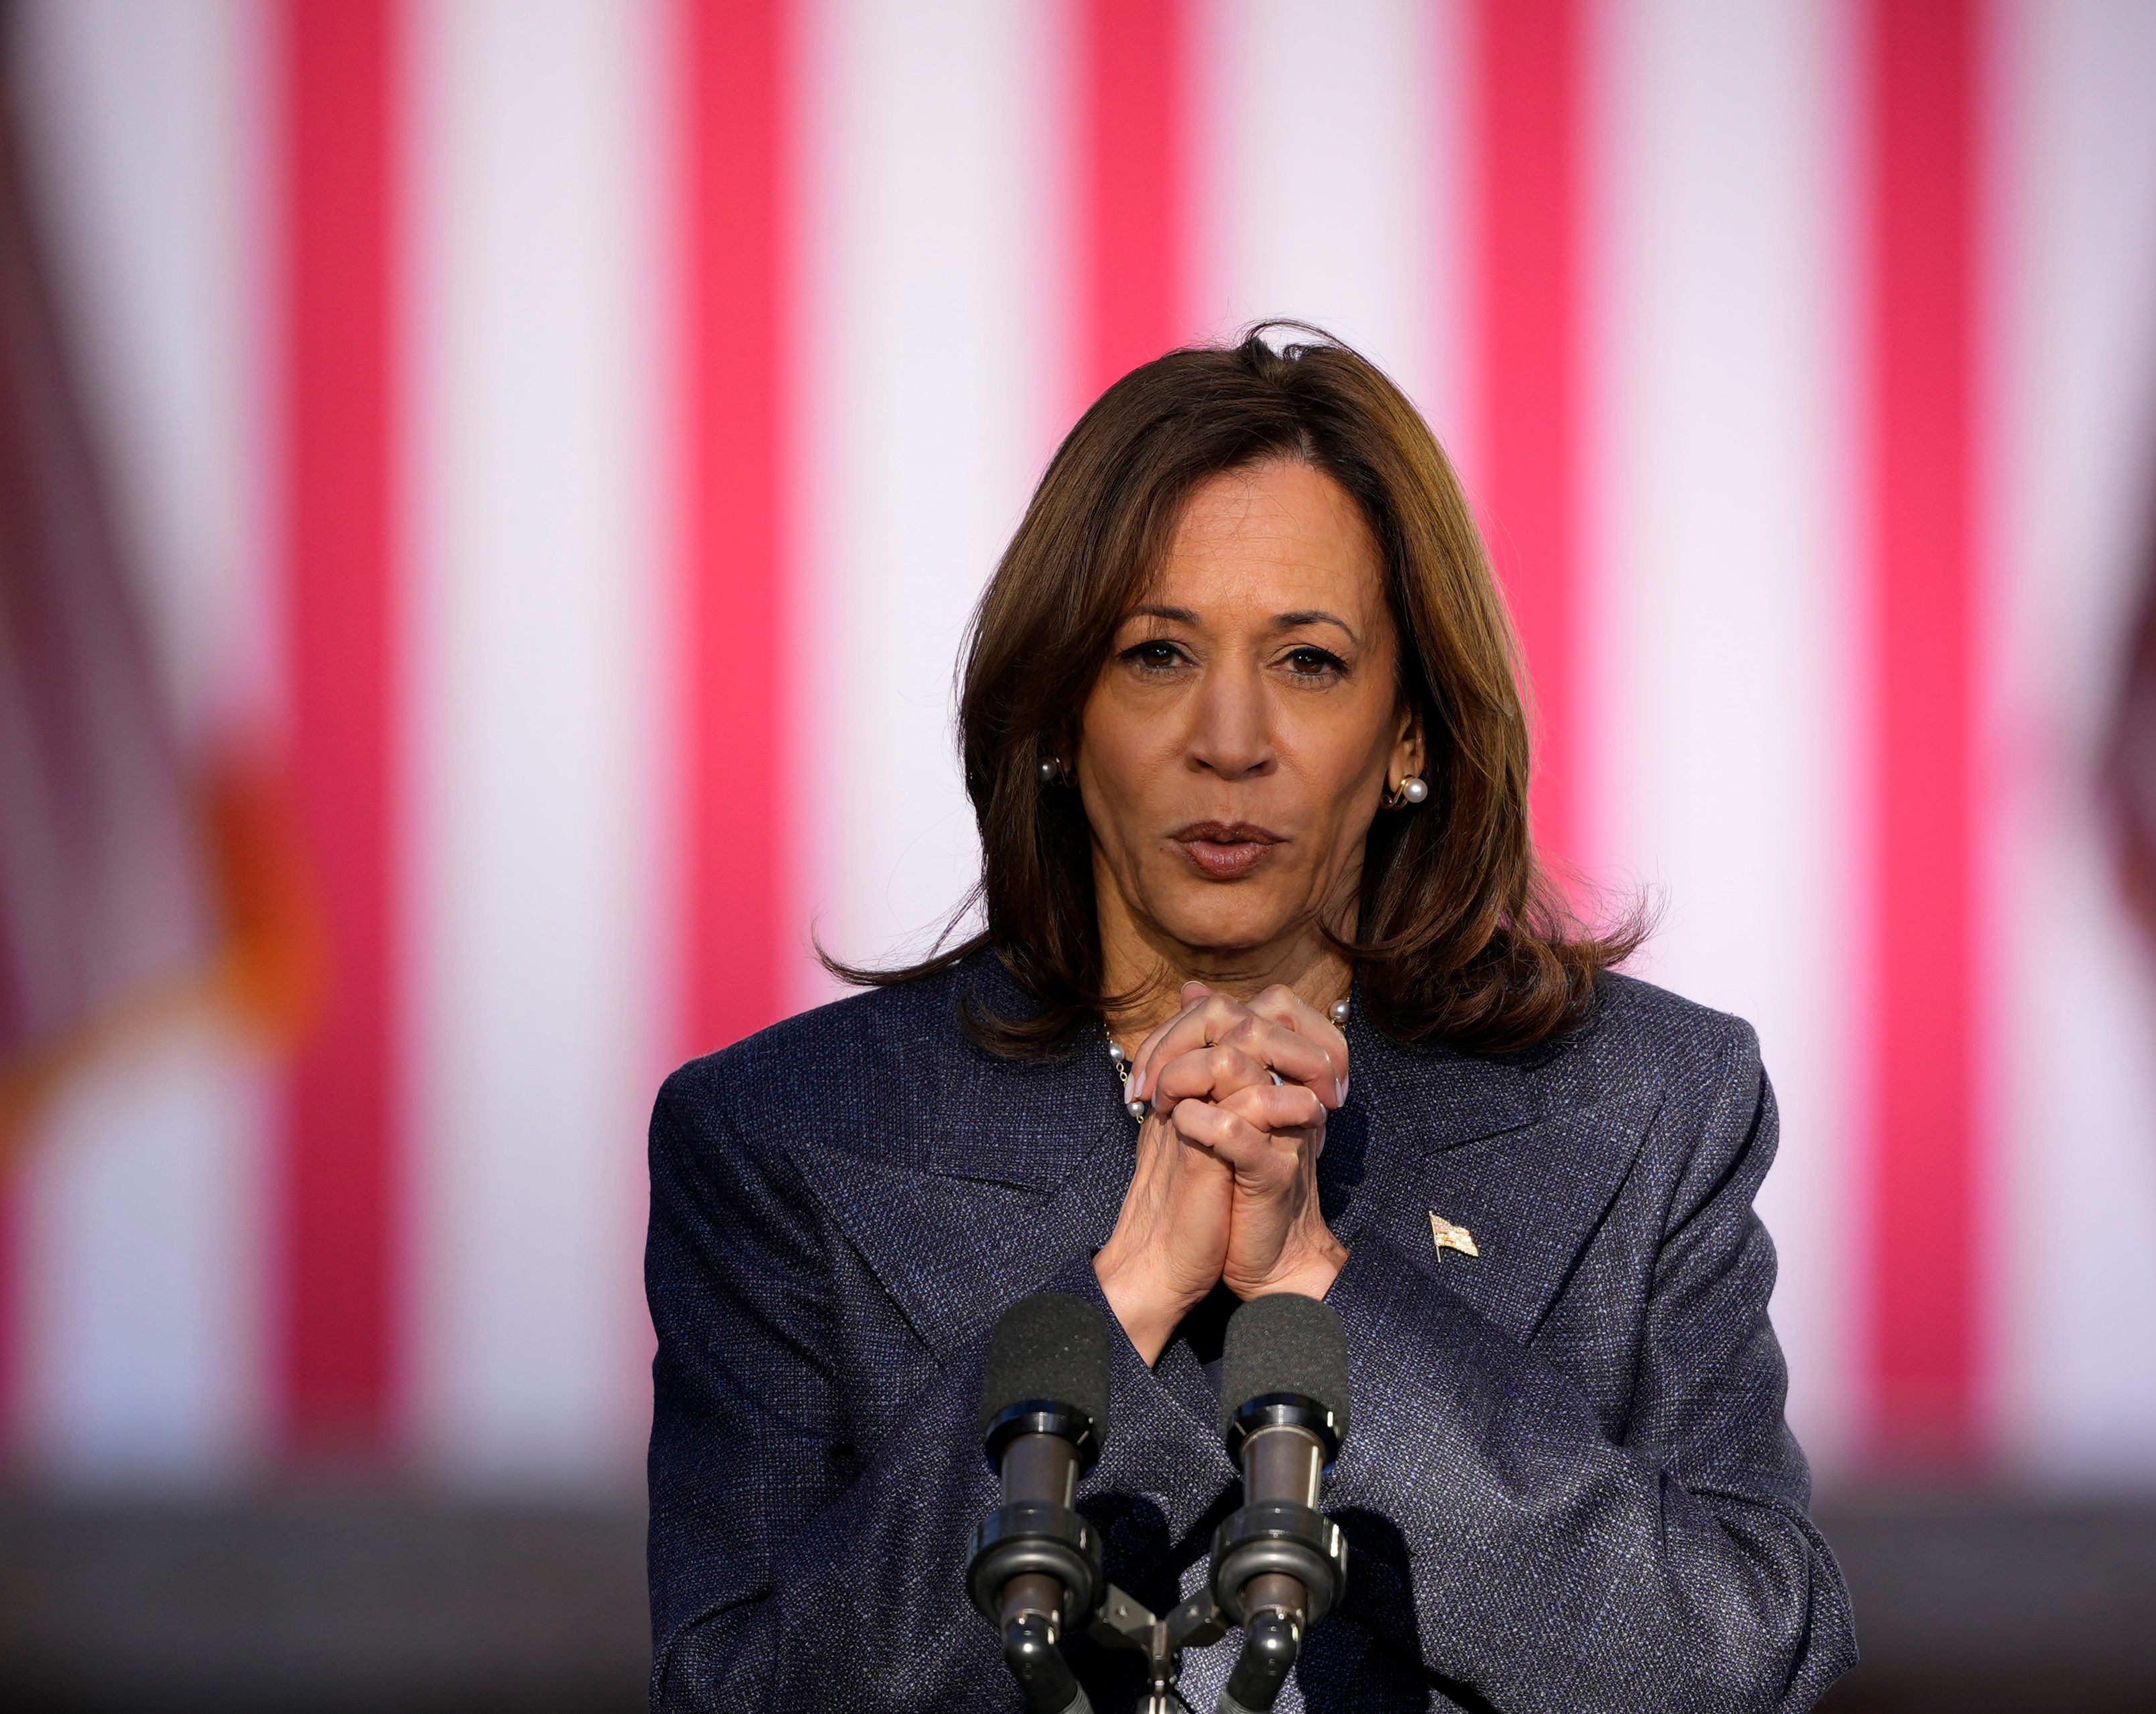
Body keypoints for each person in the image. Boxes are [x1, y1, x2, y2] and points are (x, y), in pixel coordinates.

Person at [645, 327, 1857, 1712]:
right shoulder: (777, 1139)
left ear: (1411, 734)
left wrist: (1321, 1281)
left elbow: (1744, 1665)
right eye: (1158, 654)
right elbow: (737, 1693)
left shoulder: (1654, 1106)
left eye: (1310, 661)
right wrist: (1117, 1302)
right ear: (1057, 712)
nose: (1231, 736)